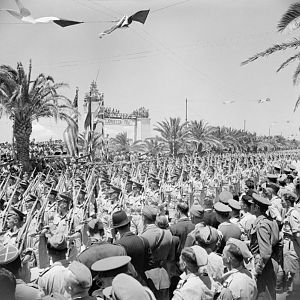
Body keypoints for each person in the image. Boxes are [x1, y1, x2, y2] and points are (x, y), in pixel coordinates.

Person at [249, 193, 280, 300]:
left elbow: (265, 253)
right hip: (273, 262)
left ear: (256, 208)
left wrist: (257, 270)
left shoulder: (261, 225)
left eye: (252, 205)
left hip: (265, 266)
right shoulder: (270, 221)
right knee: (270, 294)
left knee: (263, 295)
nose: (250, 207)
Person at [112, 210, 152, 283]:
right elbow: (150, 263)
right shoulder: (143, 240)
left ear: (116, 229)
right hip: (143, 281)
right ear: (129, 224)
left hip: (127, 283)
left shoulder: (116, 246)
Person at [141, 205, 172, 300]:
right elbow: (171, 258)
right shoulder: (168, 233)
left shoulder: (143, 237)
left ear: (143, 218)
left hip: (148, 276)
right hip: (164, 274)